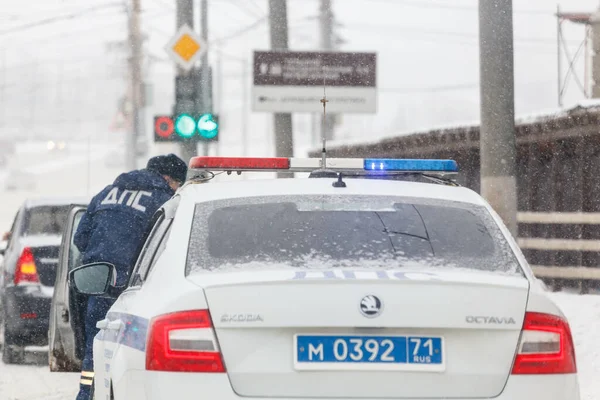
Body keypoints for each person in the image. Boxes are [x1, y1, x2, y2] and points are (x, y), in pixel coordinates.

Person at [73, 153, 187, 400]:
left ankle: (86, 394)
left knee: (95, 350)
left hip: (99, 285)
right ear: (168, 178)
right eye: (178, 183)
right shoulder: (164, 200)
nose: (177, 188)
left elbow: (80, 239)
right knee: (131, 356)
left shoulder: (106, 193)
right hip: (136, 292)